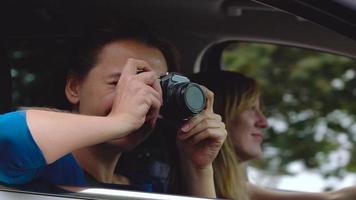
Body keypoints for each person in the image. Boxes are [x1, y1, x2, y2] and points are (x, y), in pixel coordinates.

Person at [0, 20, 227, 198]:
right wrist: (119, 121)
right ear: (74, 87)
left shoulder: (148, 185)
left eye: (153, 88)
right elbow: (6, 137)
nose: (142, 98)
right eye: (120, 83)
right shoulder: (41, 168)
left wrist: (198, 169)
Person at [190, 70, 356, 200]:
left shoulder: (235, 187)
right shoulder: (180, 180)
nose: (263, 122)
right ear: (218, 114)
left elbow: (332, 198)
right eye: (250, 109)